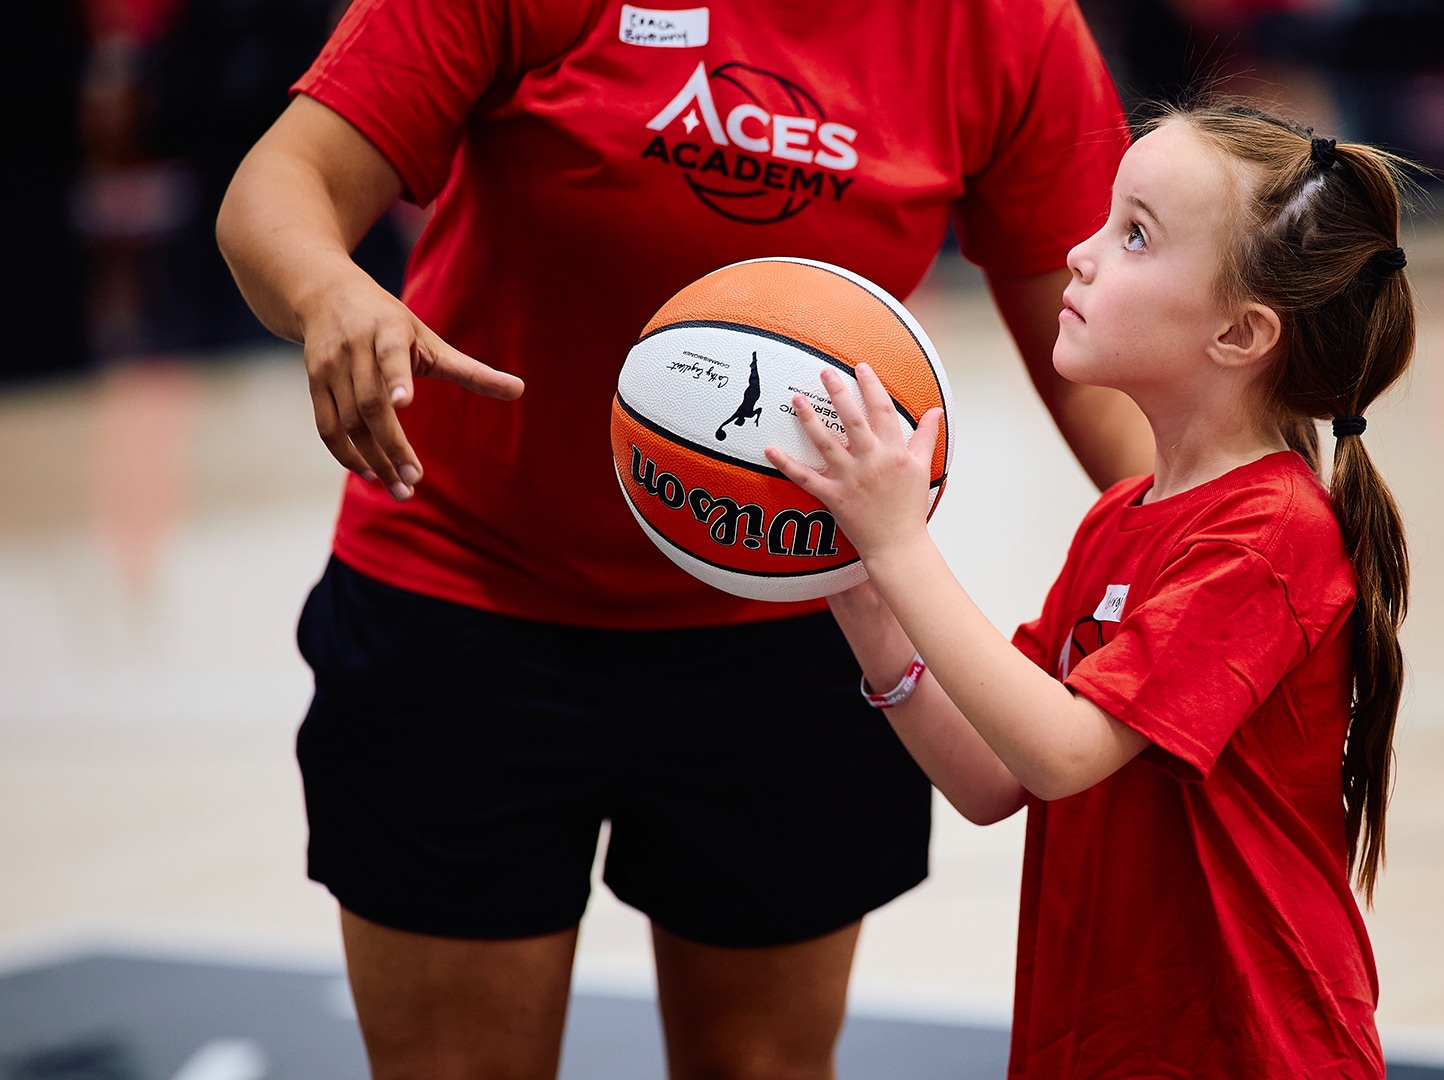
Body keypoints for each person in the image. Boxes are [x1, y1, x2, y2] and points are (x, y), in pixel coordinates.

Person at [214, 1, 1150, 1076]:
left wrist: (1242, 544)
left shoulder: (1005, 26)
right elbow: (280, 184)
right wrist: (329, 288)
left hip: (800, 610)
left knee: (763, 1066)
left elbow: (1108, 368)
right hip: (467, 597)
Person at [770, 105, 1414, 1077]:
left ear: (1240, 332)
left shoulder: (1272, 535)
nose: (1080, 253)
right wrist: (862, 591)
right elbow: (994, 777)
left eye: (1135, 235)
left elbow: (1063, 750)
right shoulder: (1120, 515)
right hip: (1097, 1043)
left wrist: (901, 544)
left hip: (1248, 1053)